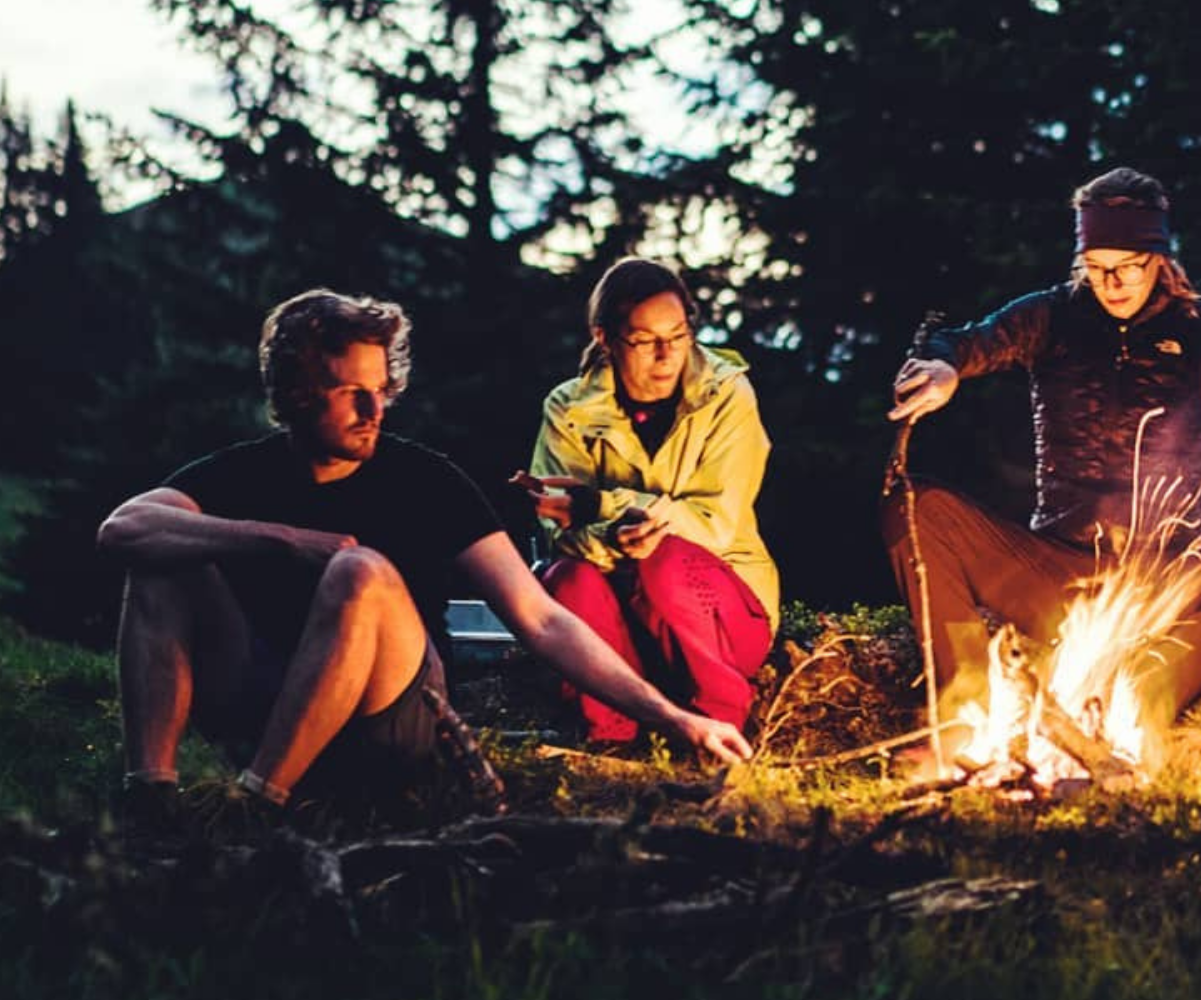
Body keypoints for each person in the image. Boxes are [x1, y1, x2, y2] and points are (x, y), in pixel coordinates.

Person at [98, 288, 751, 813]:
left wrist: (674, 719)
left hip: (389, 721)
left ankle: (258, 803)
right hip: (268, 695)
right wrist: (282, 540)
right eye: (349, 392)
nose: (373, 408)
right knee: (160, 560)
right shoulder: (245, 473)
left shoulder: (426, 480)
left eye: (381, 389)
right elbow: (122, 528)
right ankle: (151, 799)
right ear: (296, 391)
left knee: (360, 570)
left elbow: (542, 618)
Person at [885, 166, 1201, 760]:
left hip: (1166, 577)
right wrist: (943, 365)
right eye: (1096, 265)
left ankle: (1144, 695)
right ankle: (964, 715)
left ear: (1159, 258)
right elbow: (969, 340)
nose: (1111, 283)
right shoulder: (1051, 316)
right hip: (1057, 574)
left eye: (1128, 266)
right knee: (915, 508)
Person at [520, 257, 778, 746]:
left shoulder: (726, 394)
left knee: (666, 556)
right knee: (567, 578)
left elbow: (716, 523)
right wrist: (616, 537)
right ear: (605, 338)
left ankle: (720, 728)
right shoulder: (568, 408)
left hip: (724, 616)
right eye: (644, 341)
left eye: (679, 336)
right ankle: (609, 737)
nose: (666, 355)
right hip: (626, 624)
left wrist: (604, 506)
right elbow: (559, 524)